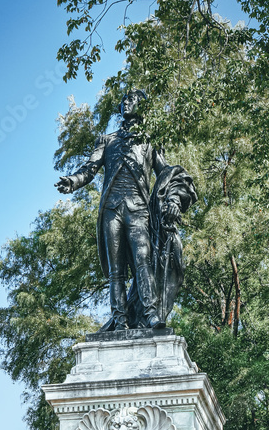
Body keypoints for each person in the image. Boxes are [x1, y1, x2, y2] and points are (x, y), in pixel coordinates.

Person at [56, 89, 195, 331]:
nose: (127, 102)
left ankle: (151, 314)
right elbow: (89, 169)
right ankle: (119, 320)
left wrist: (174, 199)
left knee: (143, 260)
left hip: (138, 209)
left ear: (142, 108)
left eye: (132, 99)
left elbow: (168, 172)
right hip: (112, 209)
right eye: (124, 100)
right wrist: (73, 181)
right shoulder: (106, 141)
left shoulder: (149, 142)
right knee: (116, 270)